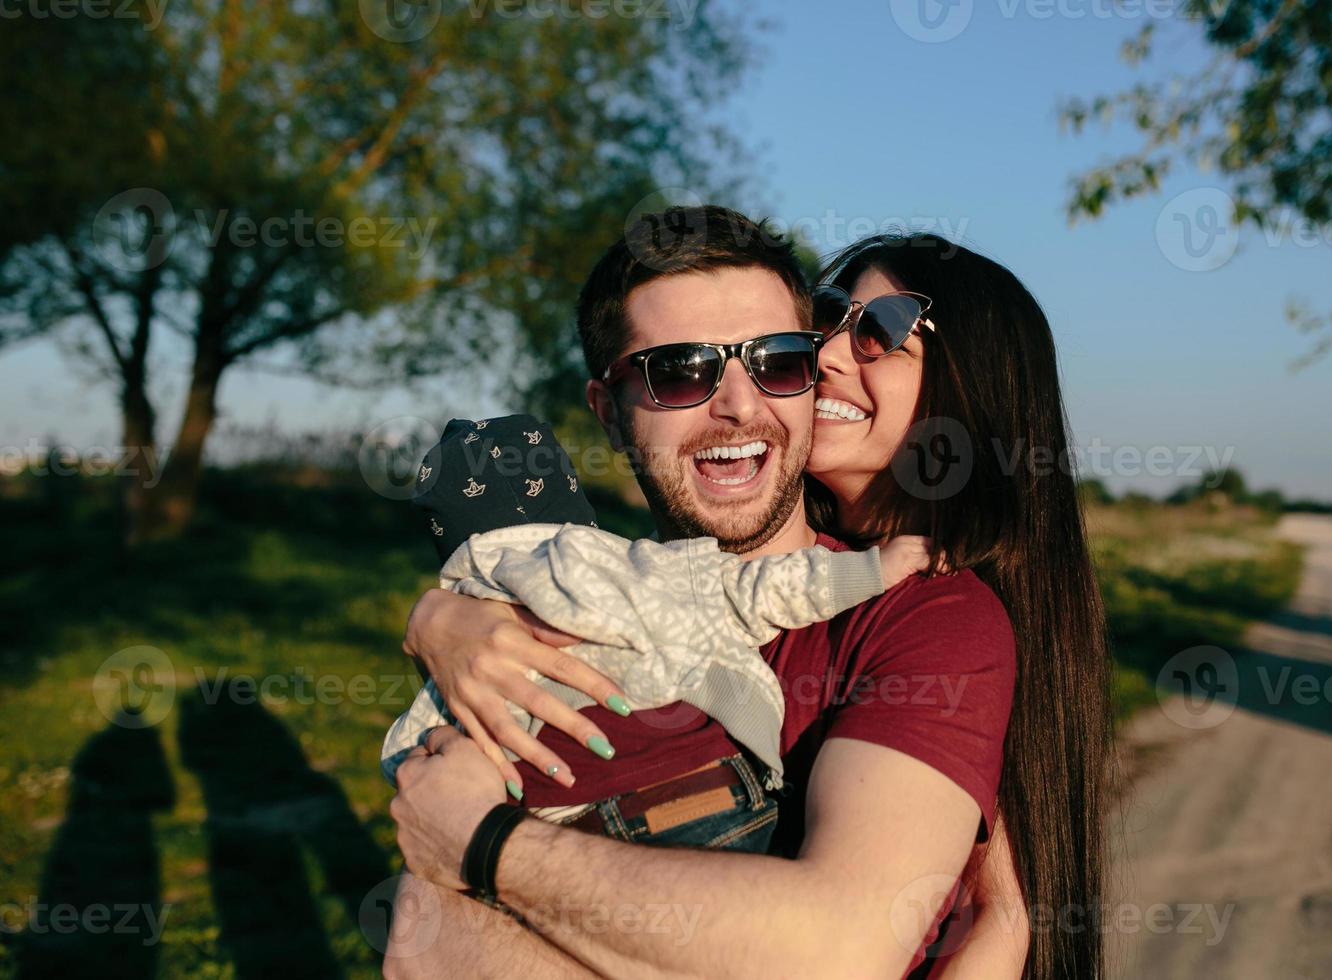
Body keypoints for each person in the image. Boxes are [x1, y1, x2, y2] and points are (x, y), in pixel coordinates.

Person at [390, 208, 1110, 978]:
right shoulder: (526, 626)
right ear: (607, 411)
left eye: (778, 360)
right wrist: (442, 616)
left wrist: (485, 842)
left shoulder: (926, 617)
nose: (740, 402)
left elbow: (837, 949)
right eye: (679, 370)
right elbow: (421, 944)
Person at [383, 413, 938, 852]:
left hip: (559, 834)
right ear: (570, 497)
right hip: (700, 795)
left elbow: (415, 753)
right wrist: (874, 568)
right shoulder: (625, 566)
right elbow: (755, 590)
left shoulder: (465, 647)